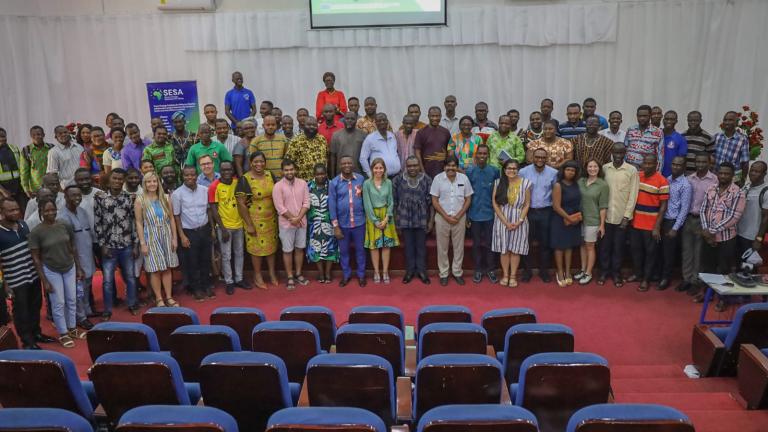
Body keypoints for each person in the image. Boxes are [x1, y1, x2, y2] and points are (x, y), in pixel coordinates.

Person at [29, 197, 84, 348]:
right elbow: (36, 258)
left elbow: (73, 247)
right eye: (46, 210)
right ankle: (63, 333)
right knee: (59, 302)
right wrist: (44, 280)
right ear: (40, 211)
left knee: (72, 299)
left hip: (69, 266)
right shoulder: (36, 232)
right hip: (51, 270)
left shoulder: (64, 225)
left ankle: (72, 328)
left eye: (53, 209)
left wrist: (78, 267)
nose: (50, 213)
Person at [0, 198, 54, 349]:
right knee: (21, 312)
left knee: (35, 306)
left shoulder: (24, 225)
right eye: (11, 210)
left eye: (17, 209)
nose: (16, 212)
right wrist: (6, 286)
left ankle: (36, 333)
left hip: (33, 275)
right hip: (15, 280)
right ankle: (27, 341)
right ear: (2, 212)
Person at [699, 162, 746, 307]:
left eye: (727, 174)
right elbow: (703, 210)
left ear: (732, 176)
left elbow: (734, 217)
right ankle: (707, 293)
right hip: (708, 237)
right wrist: (707, 231)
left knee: (724, 269)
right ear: (717, 174)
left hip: (726, 238)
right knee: (708, 267)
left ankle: (723, 298)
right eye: (721, 173)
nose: (723, 176)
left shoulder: (738, 192)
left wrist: (711, 231)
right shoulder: (711, 188)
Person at [93, 168, 139, 318]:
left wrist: (135, 244)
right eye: (115, 178)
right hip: (109, 247)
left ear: (124, 181)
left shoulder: (129, 198)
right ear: (109, 179)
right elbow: (97, 222)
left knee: (131, 277)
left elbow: (133, 222)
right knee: (107, 281)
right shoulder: (100, 198)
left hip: (126, 245)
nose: (117, 181)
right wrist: (102, 245)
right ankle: (107, 309)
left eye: (120, 179)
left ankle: (132, 303)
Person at [236, 152, 279, 289]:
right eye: (255, 161)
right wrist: (249, 224)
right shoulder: (245, 179)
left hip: (271, 219)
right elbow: (241, 203)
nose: (259, 164)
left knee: (271, 247)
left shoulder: (270, 175)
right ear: (250, 163)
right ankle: (257, 275)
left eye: (261, 161)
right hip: (254, 219)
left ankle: (272, 273)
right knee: (257, 250)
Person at [135, 172, 179, 306]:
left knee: (167, 267)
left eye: (154, 181)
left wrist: (174, 238)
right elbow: (138, 222)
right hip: (151, 236)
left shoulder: (166, 198)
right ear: (144, 184)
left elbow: (171, 218)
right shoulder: (140, 200)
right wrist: (142, 243)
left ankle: (169, 297)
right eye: (148, 182)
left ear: (158, 182)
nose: (152, 184)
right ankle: (159, 298)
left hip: (166, 235)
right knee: (155, 269)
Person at [598, 143, 639, 287]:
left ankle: (616, 273)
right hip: (606, 216)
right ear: (611, 152)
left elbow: (633, 195)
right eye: (615, 152)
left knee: (618, 247)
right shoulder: (604, 168)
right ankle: (604, 271)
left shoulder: (632, 170)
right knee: (604, 246)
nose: (618, 155)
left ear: (625, 153)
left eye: (621, 153)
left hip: (622, 217)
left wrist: (627, 217)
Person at [628, 154, 669, 292]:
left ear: (656, 164)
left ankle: (646, 279)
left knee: (650, 253)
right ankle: (638, 274)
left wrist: (657, 226)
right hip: (635, 222)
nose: (647, 165)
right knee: (635, 251)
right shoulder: (637, 176)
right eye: (645, 163)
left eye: (650, 163)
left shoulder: (662, 181)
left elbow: (663, 207)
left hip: (651, 225)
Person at [172, 166, 214, 301]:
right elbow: (177, 216)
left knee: (206, 260)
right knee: (192, 262)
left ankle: (206, 285)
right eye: (187, 175)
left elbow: (209, 210)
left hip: (204, 229)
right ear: (182, 177)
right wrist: (182, 236)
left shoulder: (204, 190)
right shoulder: (177, 194)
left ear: (197, 175)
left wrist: (212, 228)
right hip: (189, 232)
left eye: (192, 175)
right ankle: (196, 289)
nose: (190, 178)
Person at [431, 155, 473, 286]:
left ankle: (457, 272)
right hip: (442, 218)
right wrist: (446, 216)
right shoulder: (438, 179)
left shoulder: (464, 178)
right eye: (448, 165)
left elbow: (468, 199)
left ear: (457, 167)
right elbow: (434, 201)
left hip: (459, 218)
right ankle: (444, 273)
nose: (451, 168)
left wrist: (459, 215)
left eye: (453, 165)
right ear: (444, 167)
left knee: (458, 247)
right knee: (442, 247)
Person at [58, 185, 96, 330]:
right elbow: (68, 245)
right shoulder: (62, 217)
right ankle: (81, 317)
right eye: (73, 195)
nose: (77, 198)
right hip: (75, 260)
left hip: (88, 256)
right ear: (66, 197)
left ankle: (87, 311)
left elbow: (87, 235)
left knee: (86, 287)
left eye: (78, 195)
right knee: (78, 291)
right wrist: (77, 265)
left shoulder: (82, 211)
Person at [681, 152, 718, 295]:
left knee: (699, 252)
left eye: (704, 162)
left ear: (709, 163)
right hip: (689, 218)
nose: (700, 164)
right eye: (698, 162)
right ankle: (686, 279)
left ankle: (696, 281)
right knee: (686, 250)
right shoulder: (689, 178)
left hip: (704, 221)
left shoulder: (715, 180)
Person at [209, 160, 249, 294]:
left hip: (239, 225)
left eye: (229, 169)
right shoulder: (214, 186)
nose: (227, 172)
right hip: (224, 228)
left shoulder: (238, 182)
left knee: (239, 253)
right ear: (219, 171)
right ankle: (229, 281)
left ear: (233, 170)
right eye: (224, 170)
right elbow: (213, 209)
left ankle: (239, 278)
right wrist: (223, 228)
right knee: (226, 256)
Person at [519, 148, 558, 282]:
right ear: (532, 158)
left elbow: (555, 192)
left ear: (546, 158)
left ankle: (544, 271)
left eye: (542, 157)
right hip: (528, 211)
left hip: (546, 212)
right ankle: (527, 271)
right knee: (526, 243)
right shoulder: (523, 172)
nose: (540, 160)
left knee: (545, 244)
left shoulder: (553, 173)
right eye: (537, 157)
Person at [393, 156, 433, 285]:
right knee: (408, 247)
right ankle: (409, 271)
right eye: (409, 166)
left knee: (421, 247)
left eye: (415, 165)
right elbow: (394, 202)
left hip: (421, 218)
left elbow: (432, 202)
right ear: (406, 166)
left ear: (419, 166)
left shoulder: (427, 180)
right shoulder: (398, 180)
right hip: (405, 218)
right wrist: (396, 221)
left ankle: (422, 272)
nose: (412, 168)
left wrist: (431, 221)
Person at [272, 159, 310, 291]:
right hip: (286, 224)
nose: (289, 172)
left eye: (291, 169)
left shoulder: (303, 183)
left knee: (300, 249)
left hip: (301, 223)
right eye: (286, 170)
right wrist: (292, 219)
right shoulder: (278, 186)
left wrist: (298, 218)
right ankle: (289, 276)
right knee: (287, 250)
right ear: (282, 171)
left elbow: (306, 203)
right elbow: (279, 207)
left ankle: (298, 274)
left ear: (295, 170)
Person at [492, 159, 531, 287]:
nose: (511, 171)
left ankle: (513, 276)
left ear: (518, 169)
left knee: (515, 249)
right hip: (502, 219)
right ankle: (505, 275)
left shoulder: (526, 183)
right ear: (504, 170)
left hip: (519, 219)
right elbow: (495, 203)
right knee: (504, 250)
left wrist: (519, 221)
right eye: (509, 168)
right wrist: (505, 222)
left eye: (514, 168)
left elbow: (527, 204)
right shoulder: (498, 183)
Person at [329, 155, 367, 287]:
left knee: (360, 250)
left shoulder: (361, 179)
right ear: (340, 166)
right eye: (344, 163)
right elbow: (332, 205)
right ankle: (346, 275)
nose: (346, 165)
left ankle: (361, 275)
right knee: (344, 252)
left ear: (353, 165)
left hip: (359, 222)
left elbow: (365, 200)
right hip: (342, 224)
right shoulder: (334, 183)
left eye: (349, 163)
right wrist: (335, 226)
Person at [657, 156, 693, 290]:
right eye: (673, 164)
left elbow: (684, 210)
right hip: (662, 219)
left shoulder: (686, 185)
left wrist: (675, 228)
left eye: (679, 165)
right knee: (659, 249)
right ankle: (658, 274)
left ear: (684, 167)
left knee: (668, 252)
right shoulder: (667, 179)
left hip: (672, 221)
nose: (675, 167)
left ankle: (666, 278)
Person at [467, 145, 500, 283]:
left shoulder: (495, 171)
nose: (482, 155)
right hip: (474, 214)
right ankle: (478, 270)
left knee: (490, 243)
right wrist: (467, 215)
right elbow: (466, 195)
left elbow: (498, 193)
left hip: (490, 214)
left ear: (488, 155)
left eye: (485, 153)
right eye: (479, 153)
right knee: (476, 244)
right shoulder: (469, 171)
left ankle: (491, 269)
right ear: (476, 155)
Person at [362, 158, 399, 284]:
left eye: (381, 168)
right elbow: (367, 203)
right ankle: (377, 271)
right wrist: (375, 221)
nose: (378, 170)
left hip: (386, 216)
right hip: (372, 217)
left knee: (386, 245)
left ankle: (385, 271)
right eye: (376, 168)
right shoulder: (367, 183)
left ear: (384, 169)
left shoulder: (388, 182)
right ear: (372, 169)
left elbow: (391, 201)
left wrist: (386, 218)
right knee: (374, 246)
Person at [575, 160, 608, 285]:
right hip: (580, 219)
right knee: (582, 245)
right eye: (590, 166)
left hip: (593, 220)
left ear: (599, 168)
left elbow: (603, 206)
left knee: (590, 246)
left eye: (595, 166)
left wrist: (602, 225)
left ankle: (589, 273)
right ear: (586, 168)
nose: (592, 169)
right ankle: (583, 270)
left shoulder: (603, 185)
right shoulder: (581, 181)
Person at [550, 160, 582, 286]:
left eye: (573, 170)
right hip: (560, 218)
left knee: (569, 246)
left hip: (573, 219)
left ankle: (568, 272)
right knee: (559, 246)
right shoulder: (558, 185)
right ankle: (560, 271)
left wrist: (575, 218)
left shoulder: (576, 184)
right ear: (563, 171)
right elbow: (556, 206)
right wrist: (569, 218)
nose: (570, 172)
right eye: (568, 169)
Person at [306, 164, 339, 283]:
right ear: (314, 174)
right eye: (318, 174)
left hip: (329, 223)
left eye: (323, 173)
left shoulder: (332, 185)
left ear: (326, 173)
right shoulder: (308, 186)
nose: (321, 176)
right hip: (313, 224)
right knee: (316, 248)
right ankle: (320, 273)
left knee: (330, 247)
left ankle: (328, 273)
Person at [736, 161, 768, 261]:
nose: (753, 173)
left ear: (764, 174)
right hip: (737, 233)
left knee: (748, 269)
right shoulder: (746, 187)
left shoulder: (766, 191)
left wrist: (758, 239)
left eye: (757, 171)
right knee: (736, 267)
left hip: (751, 237)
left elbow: (766, 218)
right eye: (752, 170)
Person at [285, 117, 328, 181]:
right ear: (304, 126)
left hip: (321, 182)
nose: (312, 127)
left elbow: (327, 157)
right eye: (309, 125)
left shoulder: (322, 139)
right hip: (303, 182)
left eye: (314, 125)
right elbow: (288, 161)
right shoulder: (296, 140)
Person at [414, 106, 452, 178]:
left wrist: (449, 167)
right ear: (428, 116)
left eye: (437, 116)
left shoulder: (445, 132)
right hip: (426, 172)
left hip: (443, 172)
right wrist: (422, 171)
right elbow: (417, 152)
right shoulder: (421, 132)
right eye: (432, 116)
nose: (435, 118)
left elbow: (450, 150)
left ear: (441, 116)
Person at [360, 113, 401, 178]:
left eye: (384, 120)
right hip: (380, 178)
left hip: (396, 176)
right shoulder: (370, 138)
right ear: (375, 123)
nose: (382, 122)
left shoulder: (392, 136)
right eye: (379, 121)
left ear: (387, 122)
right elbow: (363, 159)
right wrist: (370, 174)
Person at [713, 111, 750, 179]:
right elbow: (711, 157)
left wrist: (742, 179)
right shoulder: (717, 137)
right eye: (725, 120)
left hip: (733, 179)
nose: (727, 122)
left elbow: (745, 163)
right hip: (715, 176)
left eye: (730, 120)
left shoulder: (743, 140)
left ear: (736, 122)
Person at [250, 115, 288, 179]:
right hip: (263, 178)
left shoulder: (283, 139)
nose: (270, 127)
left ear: (276, 126)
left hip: (281, 178)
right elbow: (252, 162)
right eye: (268, 125)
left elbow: (286, 158)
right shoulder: (255, 141)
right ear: (263, 126)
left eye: (273, 125)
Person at [20, 125, 53, 199]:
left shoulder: (51, 148)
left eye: (39, 134)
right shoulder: (26, 150)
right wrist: (26, 189)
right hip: (36, 189)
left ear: (43, 135)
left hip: (52, 186)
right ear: (30, 136)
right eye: (33, 135)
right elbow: (24, 172)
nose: (36, 137)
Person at [330, 111, 366, 177]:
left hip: (358, 173)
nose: (349, 121)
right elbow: (333, 156)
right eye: (347, 119)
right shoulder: (336, 135)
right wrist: (332, 175)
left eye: (352, 119)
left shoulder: (363, 135)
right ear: (343, 120)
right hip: (340, 173)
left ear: (356, 120)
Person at [0, 127, 26, 209]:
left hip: (19, 188)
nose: (2, 139)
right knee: (8, 214)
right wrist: (3, 191)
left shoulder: (14, 148)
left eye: (3, 136)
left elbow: (23, 168)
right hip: (3, 190)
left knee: (24, 211)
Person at [660, 111, 688, 177]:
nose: (669, 121)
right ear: (663, 120)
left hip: (670, 177)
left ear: (676, 121)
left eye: (672, 119)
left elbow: (682, 161)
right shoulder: (657, 135)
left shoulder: (680, 139)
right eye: (666, 119)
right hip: (656, 174)